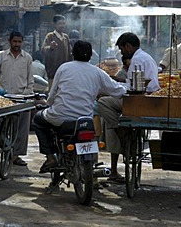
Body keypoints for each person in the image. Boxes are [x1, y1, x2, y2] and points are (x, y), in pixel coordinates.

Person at [33, 41, 128, 173]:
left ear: (72, 53)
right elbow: (118, 90)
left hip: (61, 118)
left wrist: (47, 103)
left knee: (38, 120)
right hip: (85, 120)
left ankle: (50, 157)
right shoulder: (97, 72)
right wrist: (133, 87)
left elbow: (52, 94)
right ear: (90, 55)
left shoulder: (64, 68)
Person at [98, 32, 160, 181]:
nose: (122, 52)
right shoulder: (146, 56)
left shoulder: (137, 60)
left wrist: (112, 87)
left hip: (139, 102)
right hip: (147, 99)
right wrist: (117, 82)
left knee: (103, 102)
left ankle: (120, 130)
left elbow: (132, 88)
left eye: (122, 49)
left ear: (128, 46)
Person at [0, 31, 34, 166]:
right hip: (3, 98)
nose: (17, 44)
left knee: (21, 128)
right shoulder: (2, 56)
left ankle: (16, 155)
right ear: (9, 41)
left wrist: (27, 94)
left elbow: (30, 80)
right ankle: (0, 151)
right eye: (15, 41)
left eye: (19, 42)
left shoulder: (27, 58)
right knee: (1, 126)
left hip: (21, 98)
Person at [41, 15, 73, 89]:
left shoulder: (66, 37)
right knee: (52, 91)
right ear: (55, 25)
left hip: (65, 71)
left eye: (63, 23)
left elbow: (69, 52)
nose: (62, 25)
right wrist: (50, 47)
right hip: (53, 71)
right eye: (60, 23)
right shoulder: (50, 36)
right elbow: (43, 50)